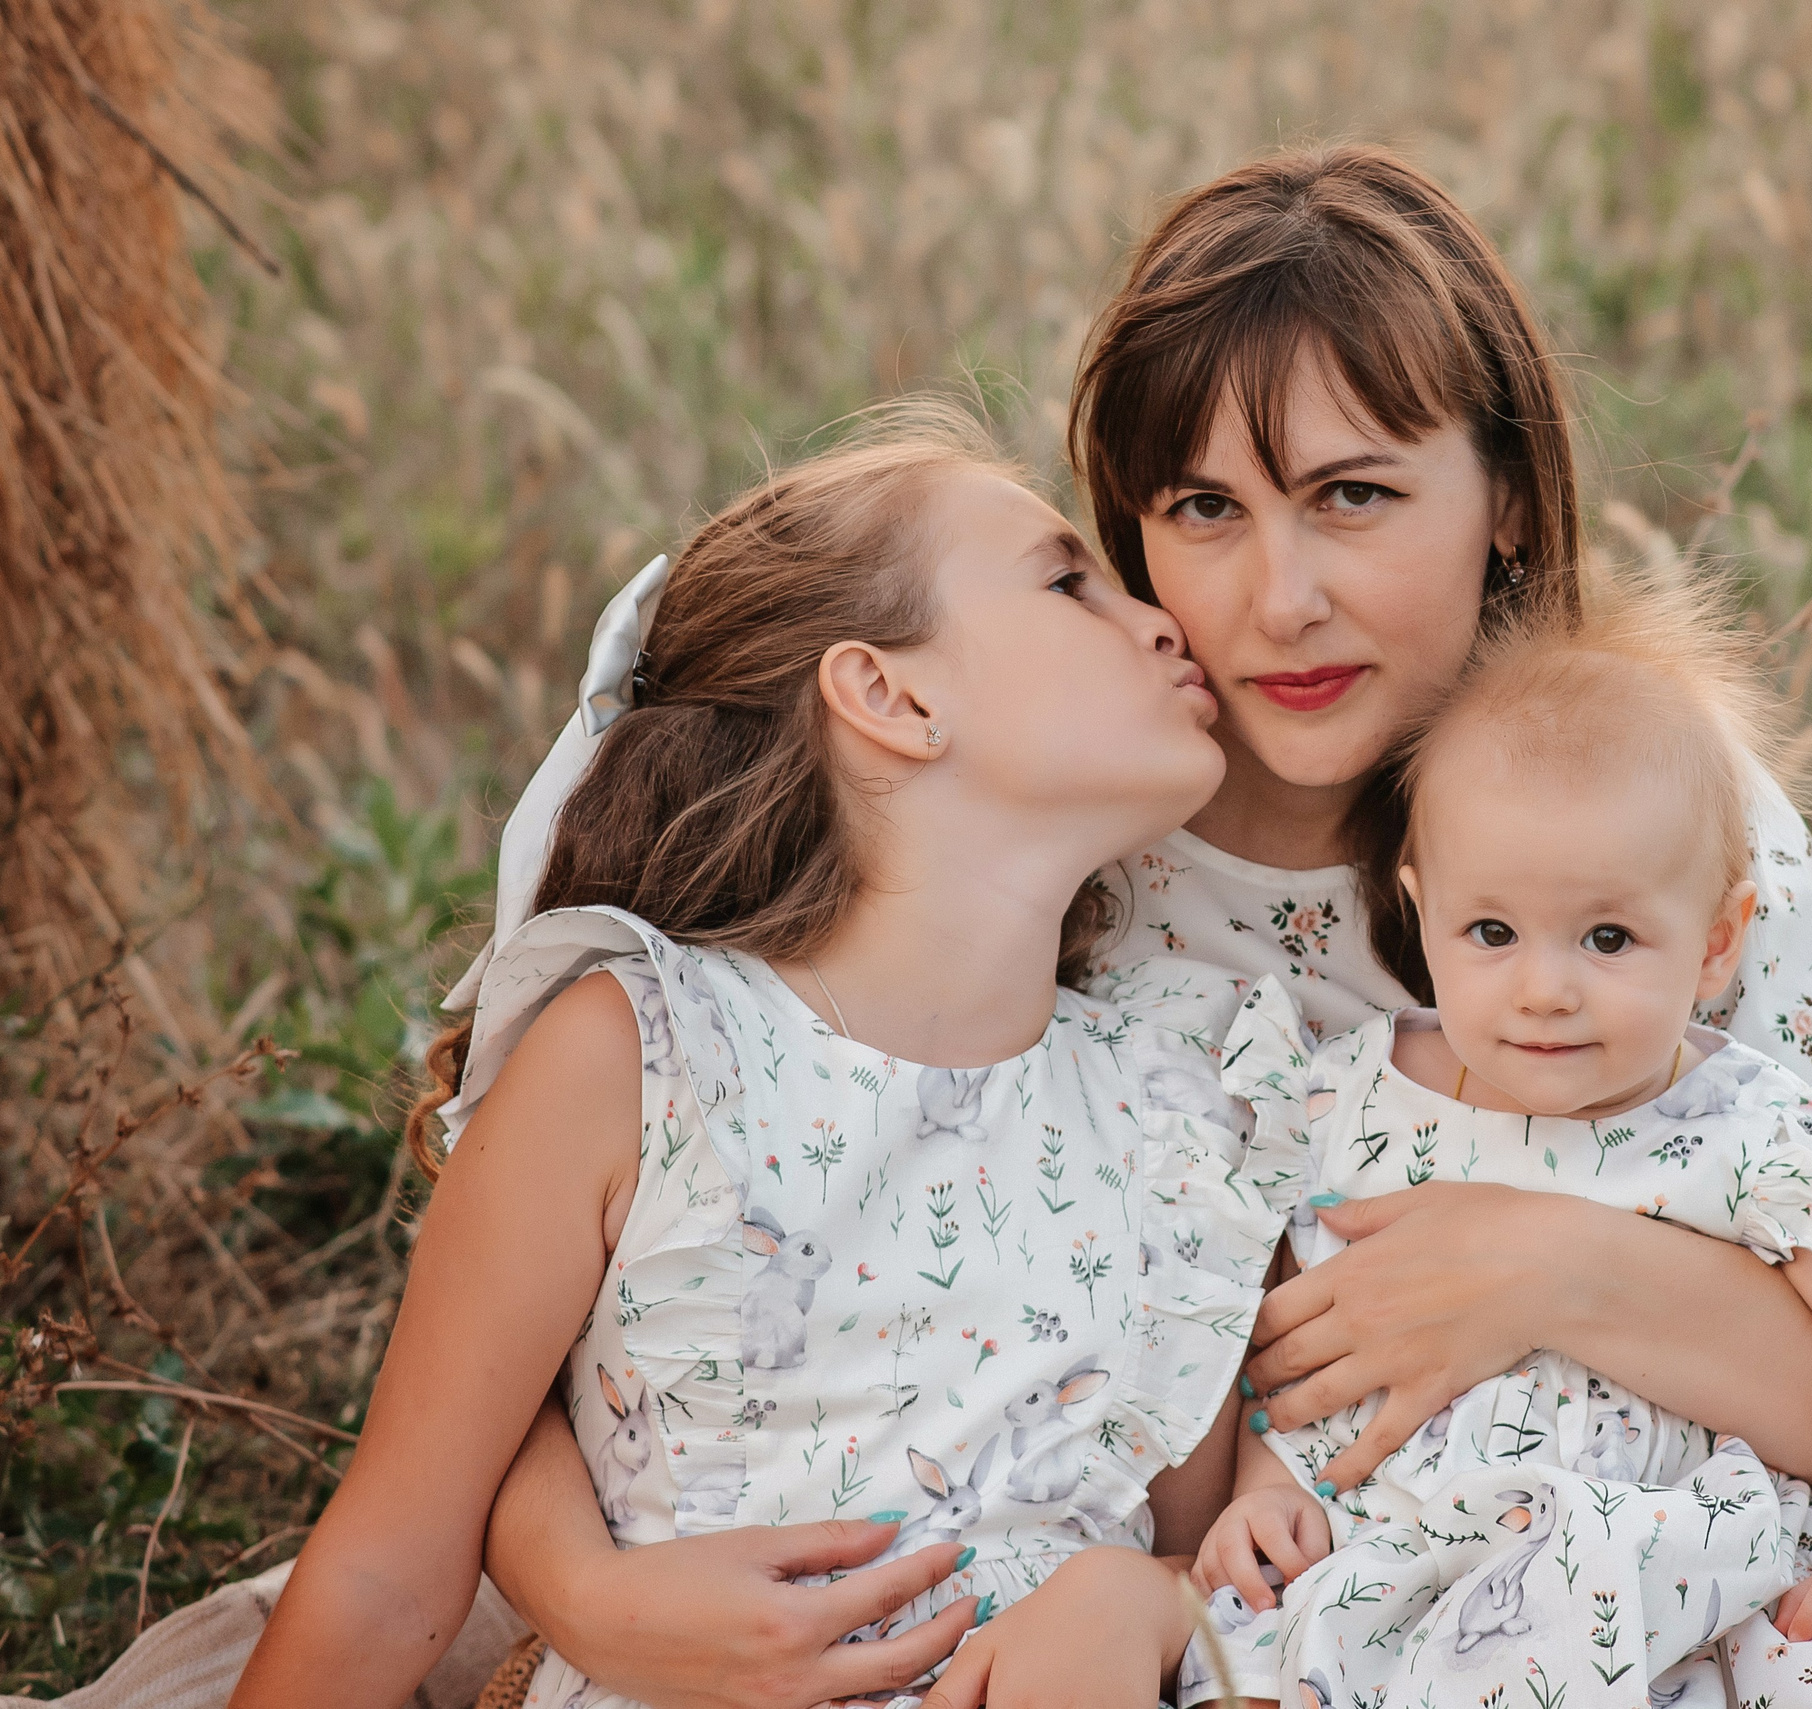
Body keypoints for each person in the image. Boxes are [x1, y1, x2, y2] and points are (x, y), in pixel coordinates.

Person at [474, 145, 1812, 1709]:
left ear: (1505, 498)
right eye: (1206, 509)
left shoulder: (1646, 835)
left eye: (1353, 496)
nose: (1278, 597)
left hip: (1758, 1546)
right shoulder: (1062, 847)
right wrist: (584, 1593)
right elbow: (565, 1282)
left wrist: (1558, 1269)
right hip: (1340, 1599)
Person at [231, 413, 1286, 1709]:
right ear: (891, 695)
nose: (1161, 620)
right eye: (1071, 582)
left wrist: (1155, 1595)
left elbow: (1202, 1540)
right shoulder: (640, 1054)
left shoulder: (1173, 1097)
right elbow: (391, 1571)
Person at [1184, 572, 1812, 1707]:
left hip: (1740, 1571)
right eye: (1491, 930)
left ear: (1715, 944)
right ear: (1418, 906)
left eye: (1607, 935)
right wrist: (1265, 1489)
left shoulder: (1748, 1127)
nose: (1545, 989)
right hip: (1432, 1571)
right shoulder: (1345, 1101)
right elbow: (1300, 1350)